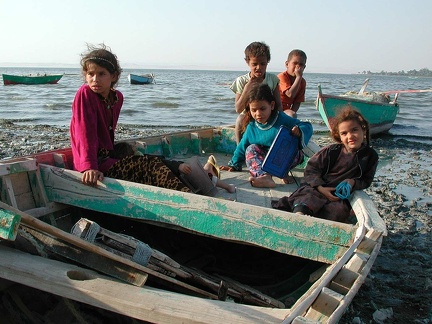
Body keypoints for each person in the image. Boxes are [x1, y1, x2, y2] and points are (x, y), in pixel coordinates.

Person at [70, 44, 190, 192]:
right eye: (91, 74)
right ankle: (189, 197)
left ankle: (197, 189)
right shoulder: (85, 93)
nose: (95, 79)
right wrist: (89, 167)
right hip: (95, 164)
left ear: (113, 76)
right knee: (151, 167)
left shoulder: (117, 98)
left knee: (156, 161)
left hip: (109, 158)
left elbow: (107, 134)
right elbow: (85, 132)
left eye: (101, 74)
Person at [272, 106, 379, 223]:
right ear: (339, 136)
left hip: (337, 196)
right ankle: (300, 216)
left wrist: (353, 182)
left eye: (354, 130)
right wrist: (320, 187)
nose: (350, 136)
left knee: (339, 210)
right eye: (344, 133)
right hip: (318, 188)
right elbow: (312, 169)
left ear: (363, 130)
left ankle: (317, 223)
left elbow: (366, 180)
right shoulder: (331, 151)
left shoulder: (370, 156)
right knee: (307, 196)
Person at [220, 83, 313, 188]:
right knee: (250, 149)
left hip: (288, 157)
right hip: (266, 159)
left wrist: (299, 130)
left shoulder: (282, 119)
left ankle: (281, 173)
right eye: (254, 110)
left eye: (262, 109)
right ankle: (265, 177)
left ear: (272, 105)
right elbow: (242, 147)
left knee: (287, 147)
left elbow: (307, 125)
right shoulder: (252, 126)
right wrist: (234, 164)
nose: (258, 114)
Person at [230, 41, 282, 144]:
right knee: (240, 119)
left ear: (267, 62)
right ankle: (240, 150)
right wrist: (247, 88)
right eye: (254, 64)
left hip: (267, 114)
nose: (259, 67)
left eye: (263, 64)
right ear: (247, 62)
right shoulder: (242, 81)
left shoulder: (272, 79)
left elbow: (278, 104)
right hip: (250, 116)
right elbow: (238, 108)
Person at [277, 49, 307, 118]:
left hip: (286, 110)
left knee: (292, 115)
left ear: (304, 67)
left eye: (301, 64)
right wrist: (298, 77)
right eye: (295, 63)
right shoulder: (282, 76)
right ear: (287, 64)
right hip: (274, 108)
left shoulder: (302, 82)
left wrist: (290, 115)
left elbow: (297, 102)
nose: (297, 67)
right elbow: (290, 94)